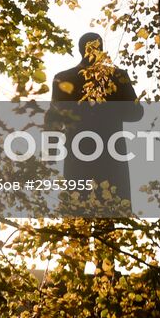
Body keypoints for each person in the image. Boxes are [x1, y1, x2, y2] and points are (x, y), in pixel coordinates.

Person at [49, 32, 143, 208]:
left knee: (77, 215)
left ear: (79, 50)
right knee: (110, 213)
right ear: (101, 49)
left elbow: (53, 120)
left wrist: (50, 152)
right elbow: (136, 113)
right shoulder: (118, 76)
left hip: (77, 154)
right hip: (111, 156)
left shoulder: (63, 78)